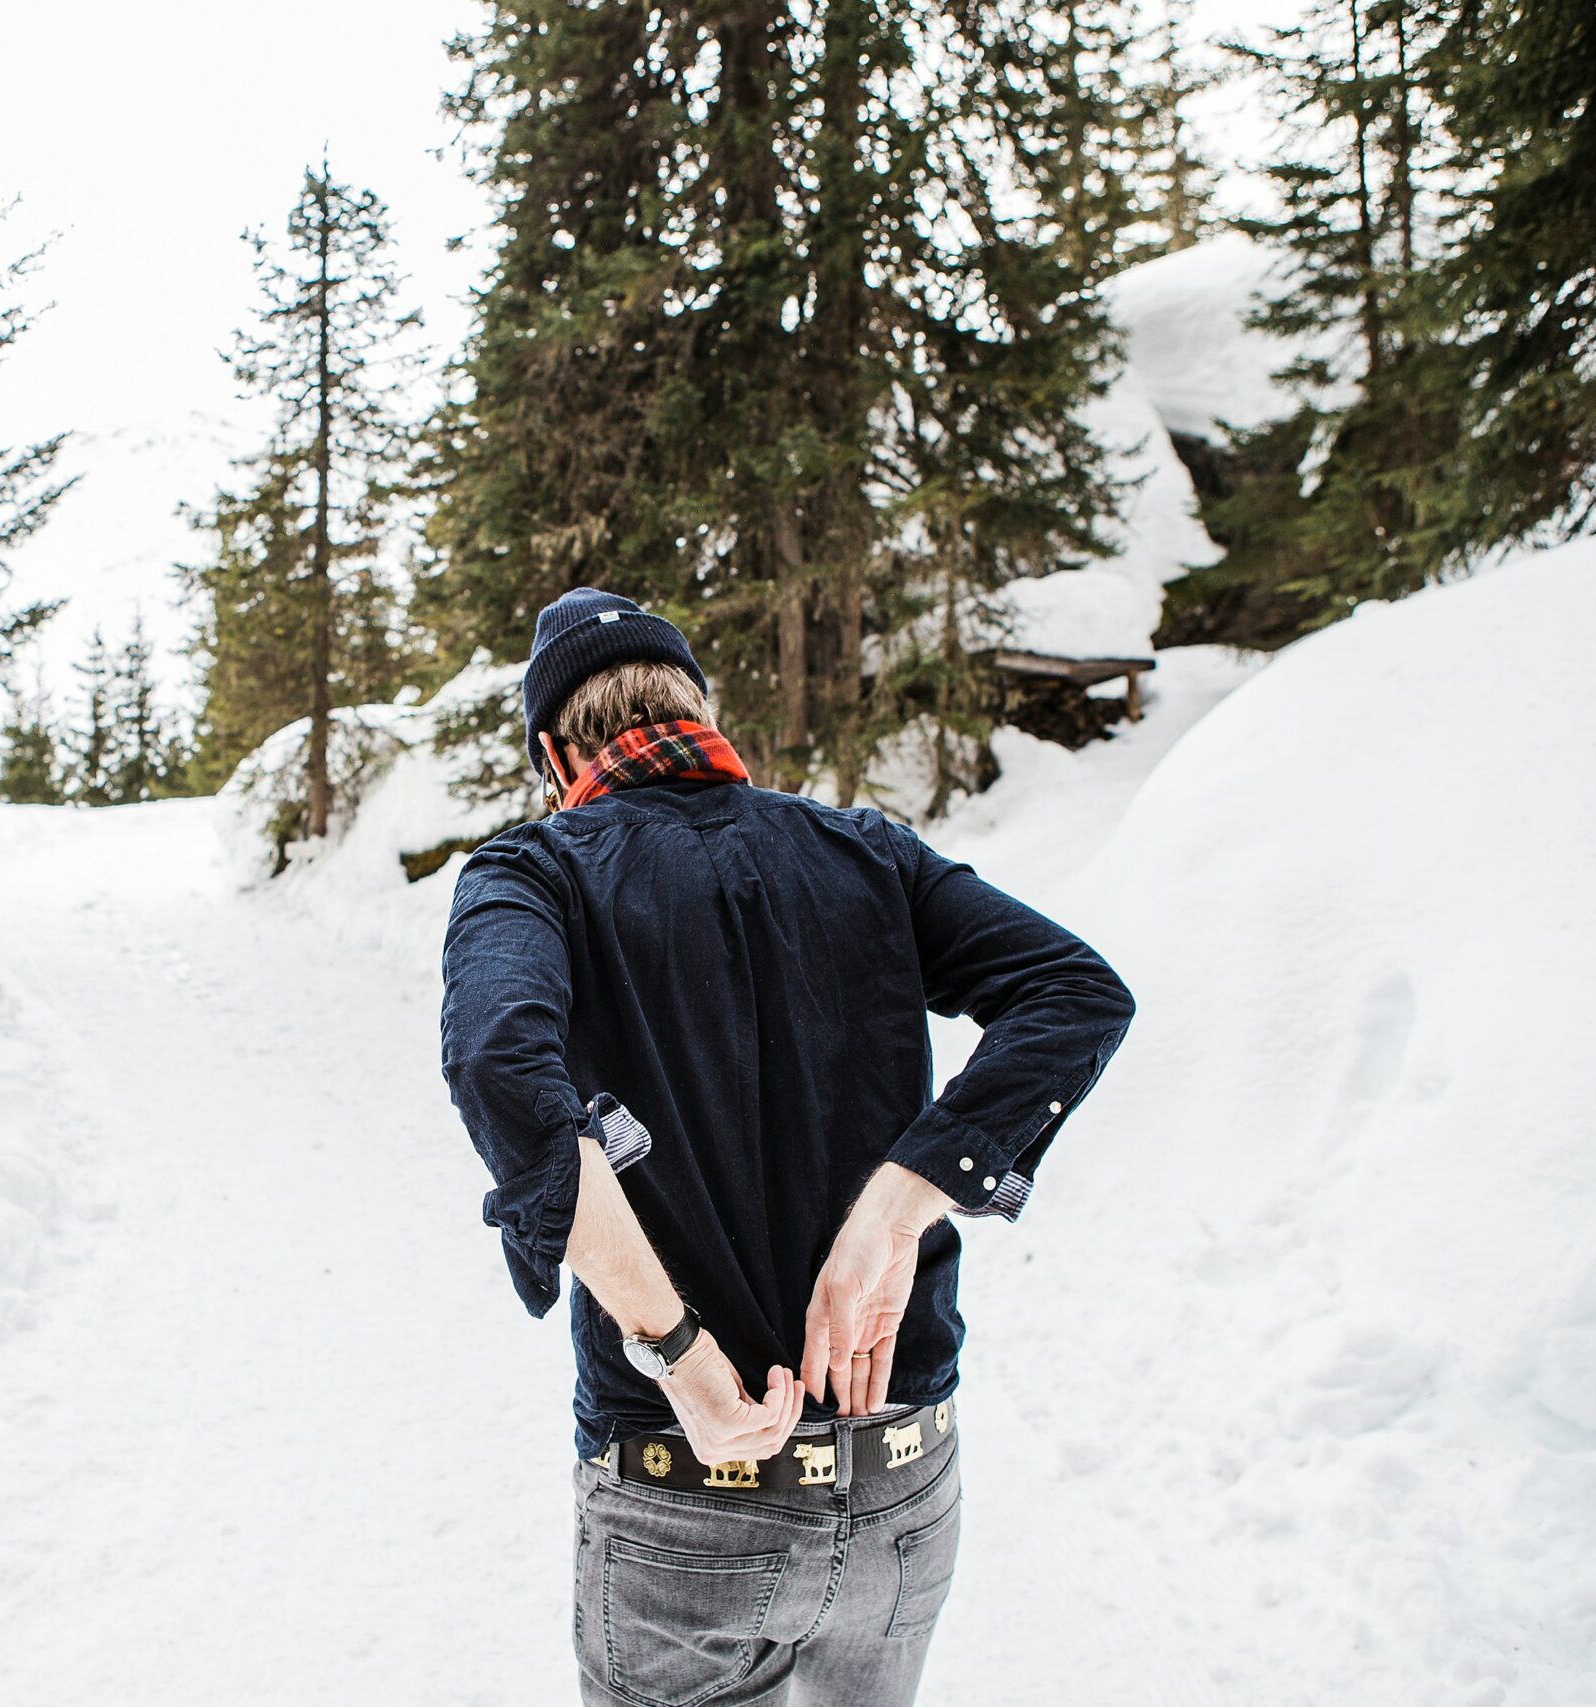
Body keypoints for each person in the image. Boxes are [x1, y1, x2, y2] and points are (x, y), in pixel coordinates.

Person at [439, 587, 1136, 1706]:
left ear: (554, 755)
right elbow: (1074, 992)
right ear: (699, 713)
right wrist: (900, 1204)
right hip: (903, 1475)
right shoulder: (866, 852)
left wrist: (679, 1353)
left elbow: (497, 1066)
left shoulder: (532, 872)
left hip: (685, 1492)